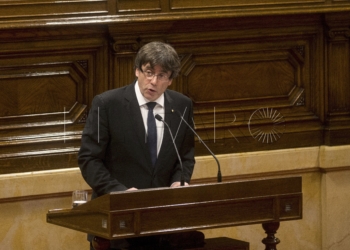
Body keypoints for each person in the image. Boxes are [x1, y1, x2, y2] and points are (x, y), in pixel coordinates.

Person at [78, 41, 197, 249]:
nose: (153, 81)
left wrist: (180, 181)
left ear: (170, 80)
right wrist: (120, 193)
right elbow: (89, 159)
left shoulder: (181, 106)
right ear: (137, 71)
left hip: (163, 224)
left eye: (162, 76)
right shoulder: (107, 104)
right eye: (149, 72)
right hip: (117, 224)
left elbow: (185, 155)